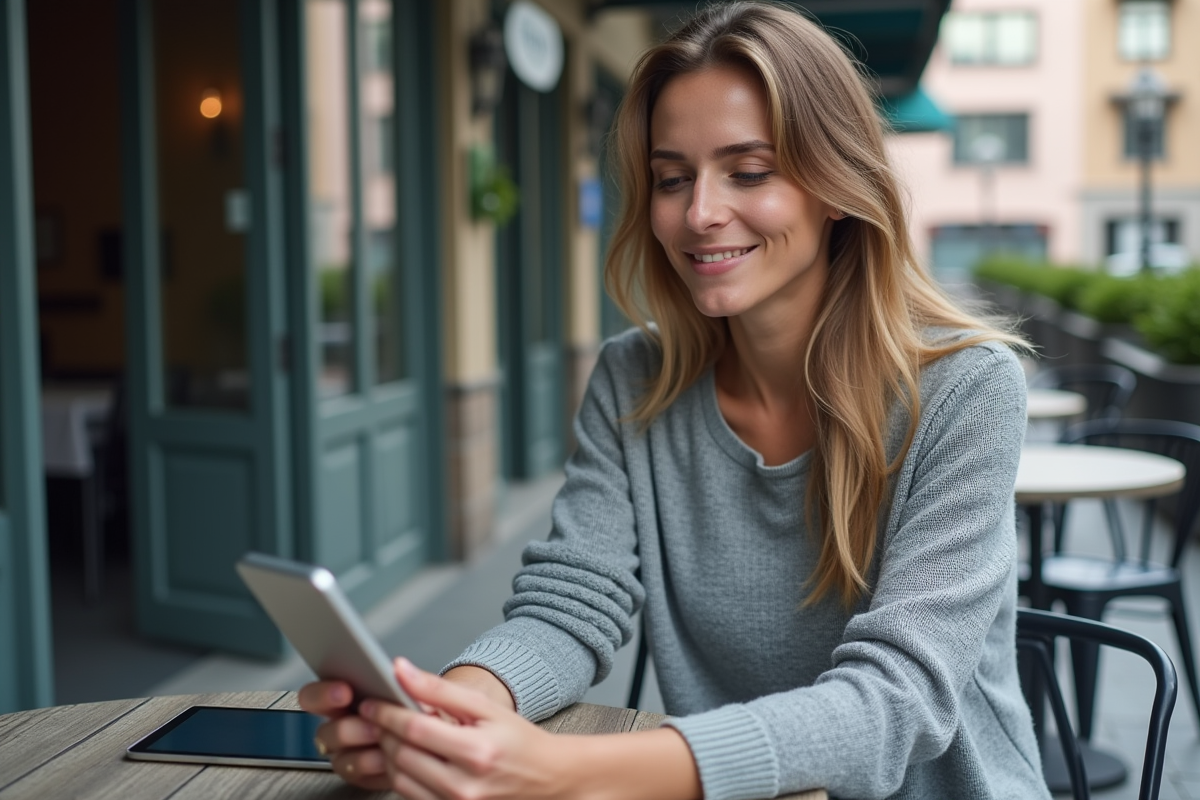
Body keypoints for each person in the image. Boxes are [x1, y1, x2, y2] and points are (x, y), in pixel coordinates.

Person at [300, 3, 1051, 798]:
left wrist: (565, 773)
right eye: (671, 178)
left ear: (836, 186)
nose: (699, 214)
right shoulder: (634, 380)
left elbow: (893, 703)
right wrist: (454, 711)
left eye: (750, 172)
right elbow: (569, 605)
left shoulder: (967, 389)